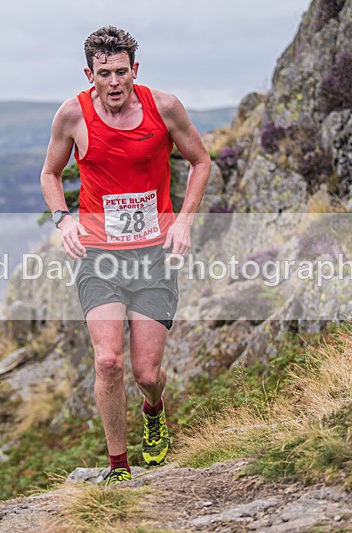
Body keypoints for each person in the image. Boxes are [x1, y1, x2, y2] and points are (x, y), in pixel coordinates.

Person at [40, 26, 210, 485]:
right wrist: (64, 220)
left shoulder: (165, 107)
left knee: (146, 371)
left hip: (155, 255)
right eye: (103, 73)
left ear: (134, 70)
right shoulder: (72, 114)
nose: (113, 82)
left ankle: (154, 411)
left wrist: (184, 222)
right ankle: (119, 466)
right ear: (89, 74)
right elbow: (50, 174)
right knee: (108, 362)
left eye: (121, 72)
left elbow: (201, 161)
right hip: (100, 256)